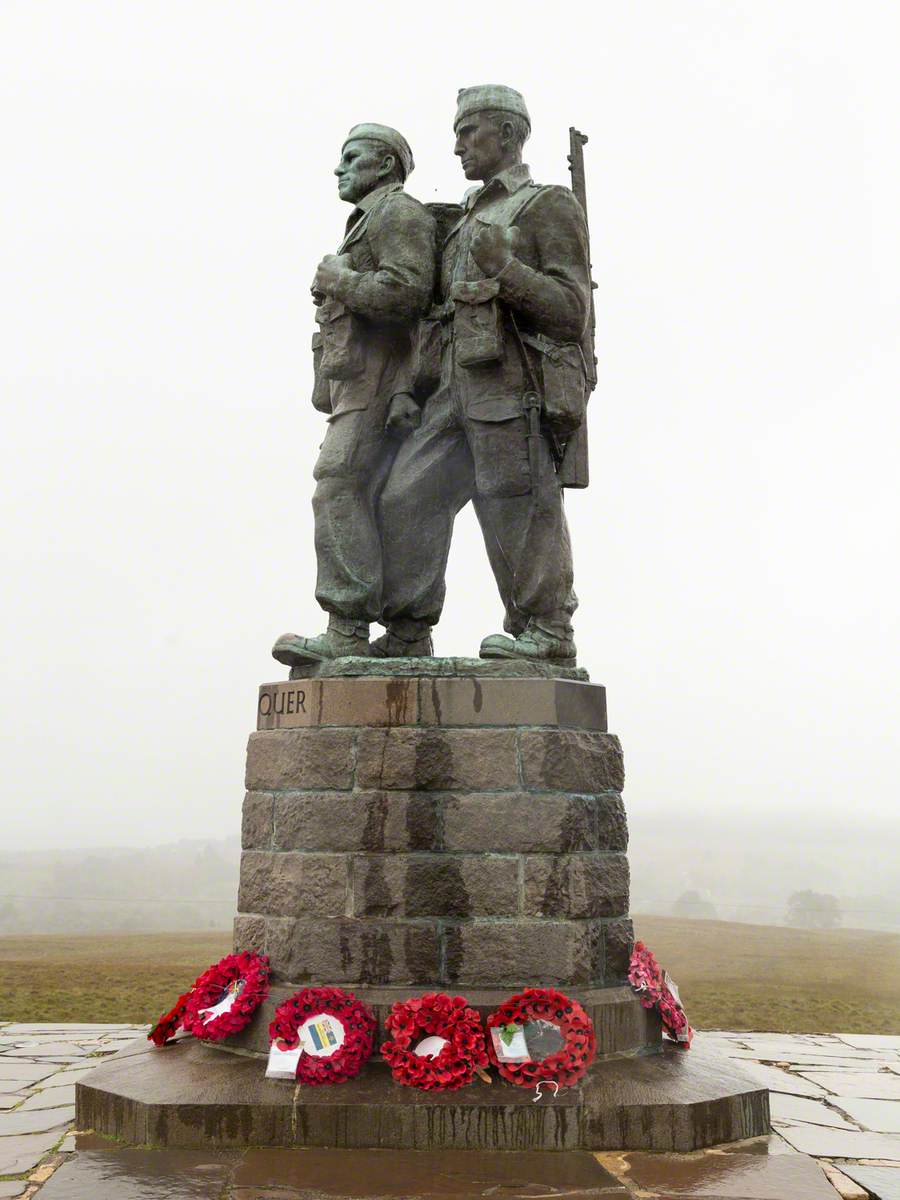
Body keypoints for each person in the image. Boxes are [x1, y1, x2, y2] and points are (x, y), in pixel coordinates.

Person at [378, 86, 591, 665]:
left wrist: (507, 269)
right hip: (447, 387)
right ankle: (407, 632)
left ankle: (546, 633)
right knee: (406, 496)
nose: (457, 148)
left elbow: (571, 312)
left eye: (468, 132)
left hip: (509, 385)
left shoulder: (546, 205)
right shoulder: (464, 215)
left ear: (508, 132)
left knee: (517, 503)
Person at [272, 124, 435, 667]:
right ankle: (404, 632)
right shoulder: (367, 220)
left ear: (386, 165)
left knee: (338, 483)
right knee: (375, 498)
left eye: (351, 157)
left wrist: (339, 278)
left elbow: (407, 294)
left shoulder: (398, 213)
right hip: (359, 381)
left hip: (381, 380)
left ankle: (347, 627)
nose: (338, 168)